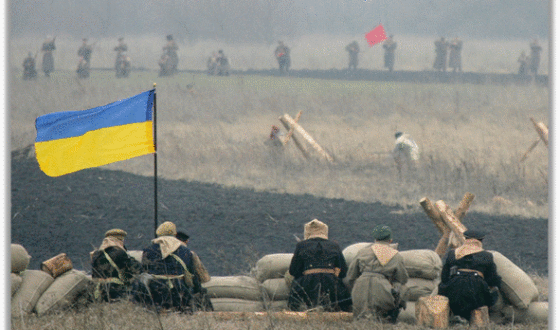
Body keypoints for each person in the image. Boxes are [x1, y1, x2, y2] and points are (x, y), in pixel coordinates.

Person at [437, 229, 501, 323]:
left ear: (465, 239)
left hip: (454, 292)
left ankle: (456, 316)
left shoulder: (453, 253)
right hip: (477, 295)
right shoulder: (486, 256)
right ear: (480, 241)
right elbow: (493, 279)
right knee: (492, 294)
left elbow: (444, 277)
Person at [346, 225, 408, 322]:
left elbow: (350, 275)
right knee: (402, 288)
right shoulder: (396, 255)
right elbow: (403, 278)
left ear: (375, 239)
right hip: (383, 292)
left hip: (359, 291)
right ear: (390, 240)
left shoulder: (362, 252)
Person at [287, 219, 352, 312]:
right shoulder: (334, 245)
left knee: (295, 300)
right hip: (331, 284)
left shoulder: (301, 245)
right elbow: (343, 271)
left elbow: (293, 271)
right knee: (344, 302)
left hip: (307, 284)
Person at [136, 221, 196, 312]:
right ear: (174, 233)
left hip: (156, 289)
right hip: (180, 289)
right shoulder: (186, 251)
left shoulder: (149, 250)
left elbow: (144, 269)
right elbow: (191, 272)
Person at [90, 229, 142, 302]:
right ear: (120, 240)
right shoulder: (119, 253)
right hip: (116, 289)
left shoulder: (96, 254)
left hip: (99, 290)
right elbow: (136, 269)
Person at [176, 231, 213, 311]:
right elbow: (198, 274)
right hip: (184, 286)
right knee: (200, 292)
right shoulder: (188, 253)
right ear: (186, 241)